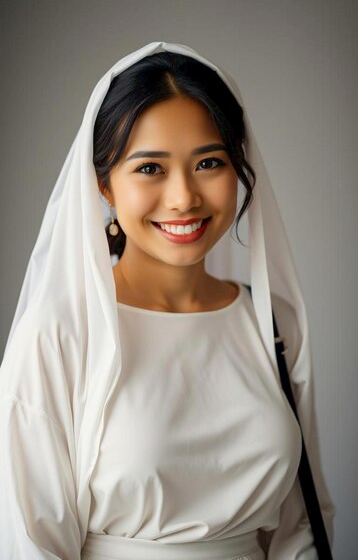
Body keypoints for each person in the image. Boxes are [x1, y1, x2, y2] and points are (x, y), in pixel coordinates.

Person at [0, 41, 335, 560]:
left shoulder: (270, 323)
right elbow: (30, 543)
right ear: (103, 185)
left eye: (208, 162)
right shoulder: (61, 333)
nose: (183, 197)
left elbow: (302, 528)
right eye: (150, 168)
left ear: (240, 168)